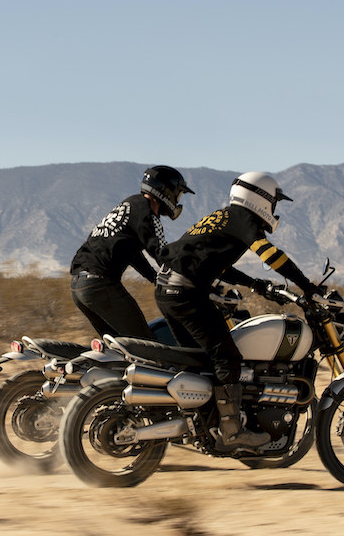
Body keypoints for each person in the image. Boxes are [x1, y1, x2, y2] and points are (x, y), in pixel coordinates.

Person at [155, 171, 320, 449]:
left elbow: (214, 262)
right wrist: (307, 285)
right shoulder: (245, 219)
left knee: (198, 362)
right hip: (186, 293)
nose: (275, 209)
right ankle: (233, 432)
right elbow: (270, 254)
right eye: (274, 202)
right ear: (262, 199)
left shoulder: (222, 217)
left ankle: (200, 425)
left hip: (167, 290)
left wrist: (255, 284)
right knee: (228, 357)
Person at [70, 165, 194, 341]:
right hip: (100, 285)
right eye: (177, 194)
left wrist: (154, 277)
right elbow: (164, 255)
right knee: (146, 345)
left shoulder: (129, 205)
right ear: (166, 191)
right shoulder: (148, 215)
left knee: (120, 348)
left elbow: (131, 253)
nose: (177, 200)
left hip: (79, 286)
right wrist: (192, 278)